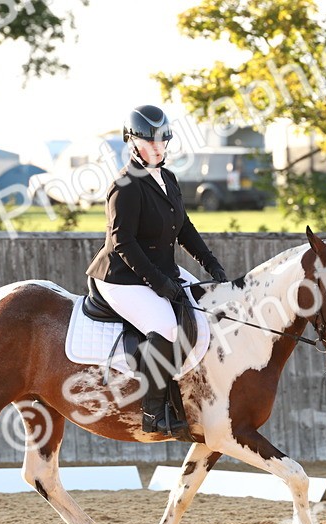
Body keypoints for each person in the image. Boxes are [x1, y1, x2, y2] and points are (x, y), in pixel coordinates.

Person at [85, 104, 228, 441]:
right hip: (121, 277)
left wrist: (210, 263)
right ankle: (153, 411)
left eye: (162, 141)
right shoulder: (125, 185)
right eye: (149, 142)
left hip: (160, 269)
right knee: (164, 325)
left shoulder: (168, 178)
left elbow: (184, 227)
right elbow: (124, 243)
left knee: (205, 313)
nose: (156, 148)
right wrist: (159, 282)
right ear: (132, 143)